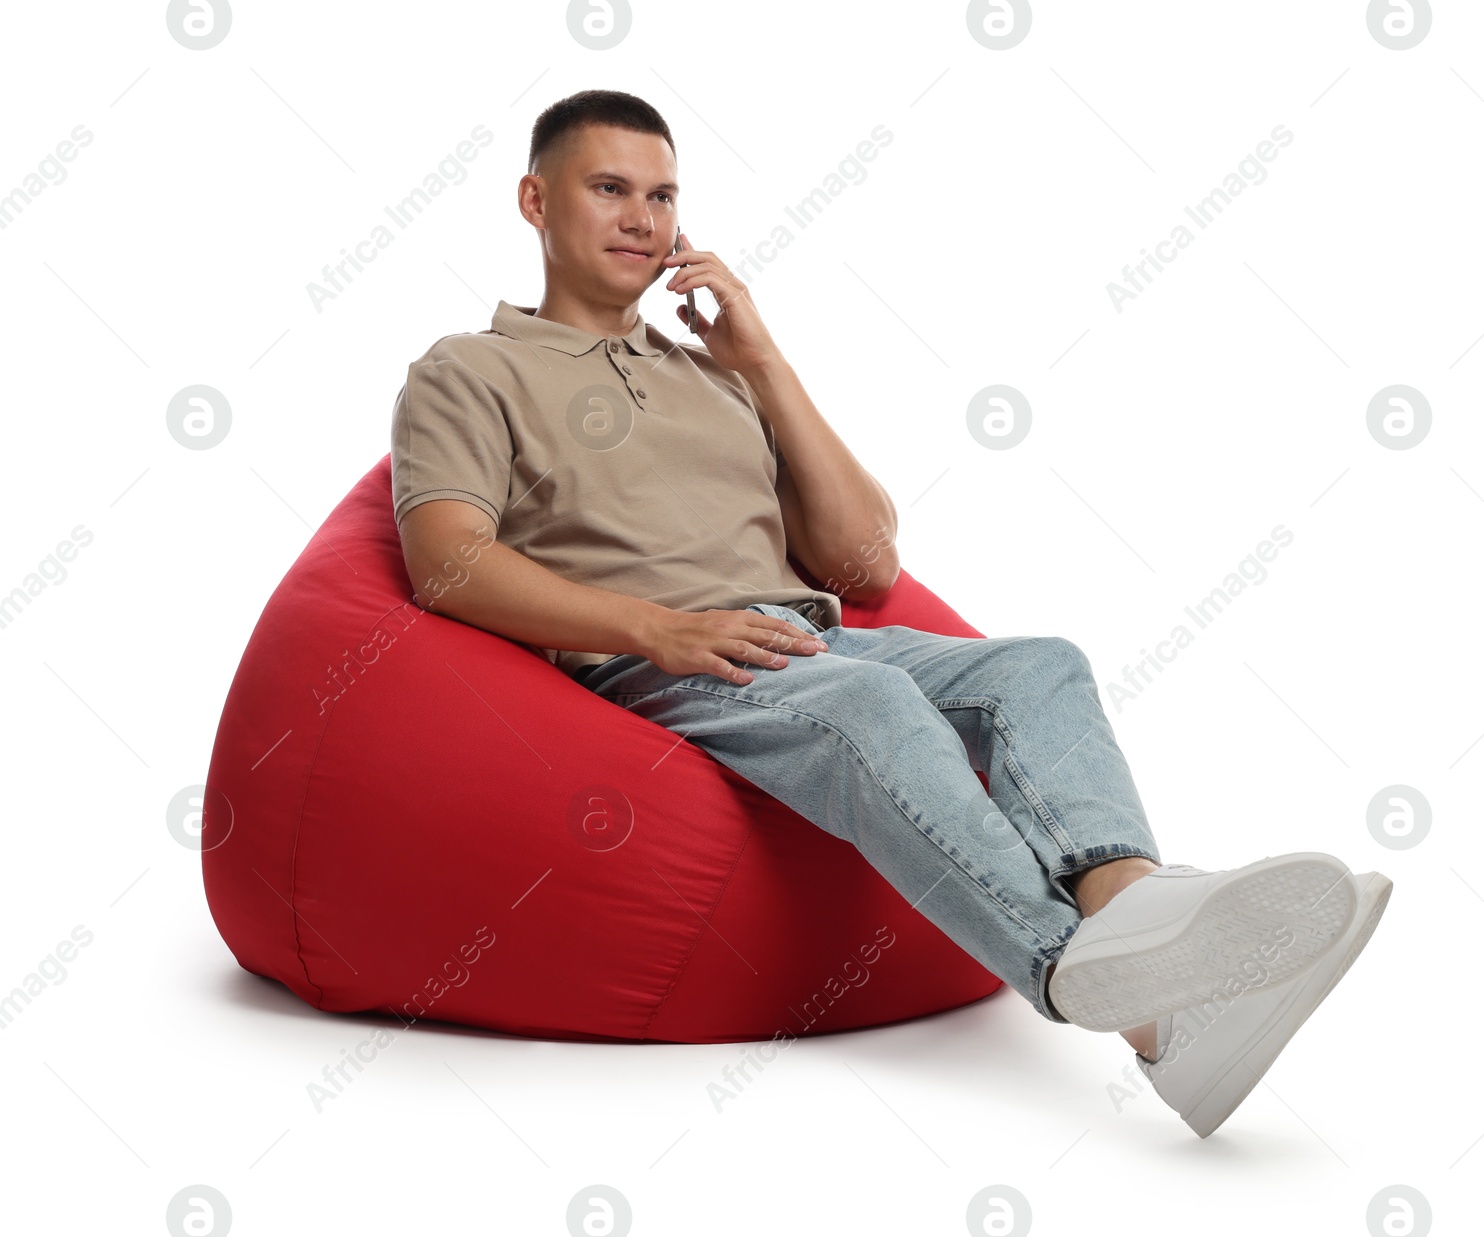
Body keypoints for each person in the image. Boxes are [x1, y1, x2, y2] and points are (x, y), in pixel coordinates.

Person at [389, 88, 1391, 1138]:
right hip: (660, 660)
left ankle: (1144, 949)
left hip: (805, 634)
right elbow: (446, 566)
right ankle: (1084, 978)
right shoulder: (468, 370)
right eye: (609, 189)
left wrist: (763, 362)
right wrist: (655, 628)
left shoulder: (715, 379)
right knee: (868, 700)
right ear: (534, 200)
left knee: (1039, 663)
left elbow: (865, 558)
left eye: (663, 195)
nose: (643, 218)